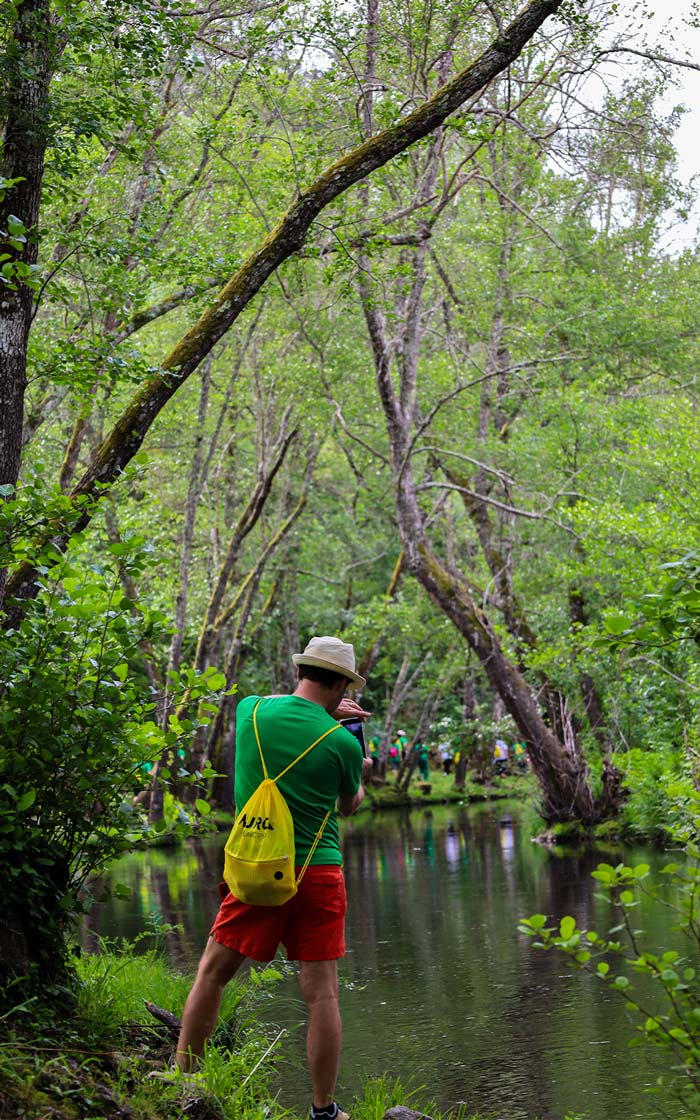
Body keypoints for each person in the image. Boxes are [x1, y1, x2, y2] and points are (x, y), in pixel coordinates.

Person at [173, 636, 373, 1120]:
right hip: (316, 871)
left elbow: (287, 713)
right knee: (321, 992)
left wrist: (323, 712)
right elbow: (349, 805)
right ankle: (323, 1110)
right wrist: (357, 760)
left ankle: (180, 1082)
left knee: (212, 973)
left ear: (303, 669)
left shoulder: (250, 712)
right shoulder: (342, 742)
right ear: (343, 683)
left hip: (257, 866)